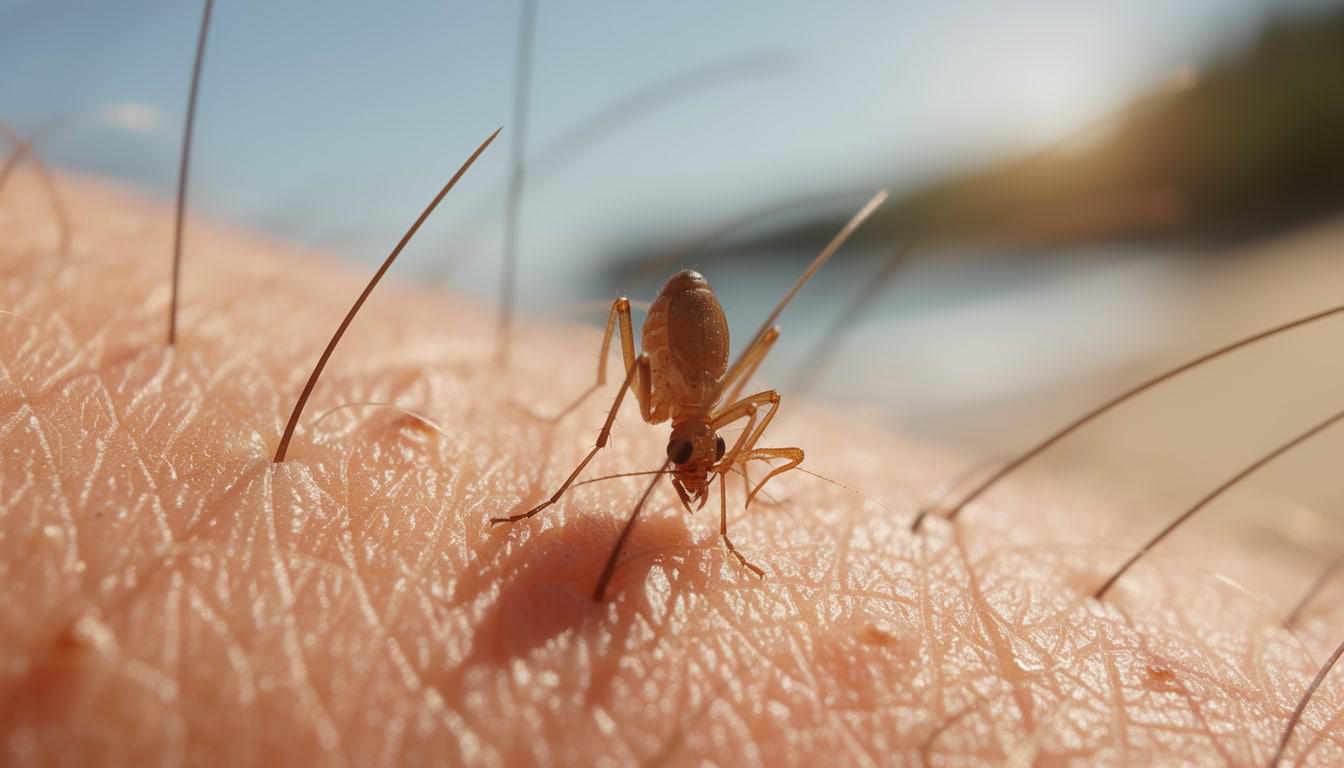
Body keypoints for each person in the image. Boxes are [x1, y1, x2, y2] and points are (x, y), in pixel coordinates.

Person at [2, 166, 1339, 765]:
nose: (689, 470)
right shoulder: (666, 398)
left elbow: (738, 414)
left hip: (698, 366)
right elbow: (666, 388)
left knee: (750, 391)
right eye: (691, 458)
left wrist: (725, 474)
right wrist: (621, 437)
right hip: (674, 356)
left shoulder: (715, 420)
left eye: (696, 458)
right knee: (665, 372)